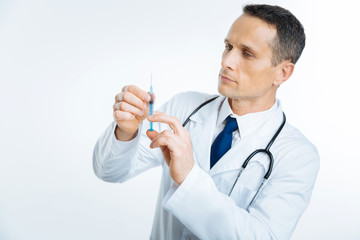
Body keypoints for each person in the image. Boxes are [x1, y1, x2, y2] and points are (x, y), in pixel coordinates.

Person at [93, 4, 319, 240]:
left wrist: (188, 178)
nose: (227, 61)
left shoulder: (298, 156)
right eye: (228, 47)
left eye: (247, 53)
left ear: (282, 73)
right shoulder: (184, 107)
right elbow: (108, 172)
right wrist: (126, 132)